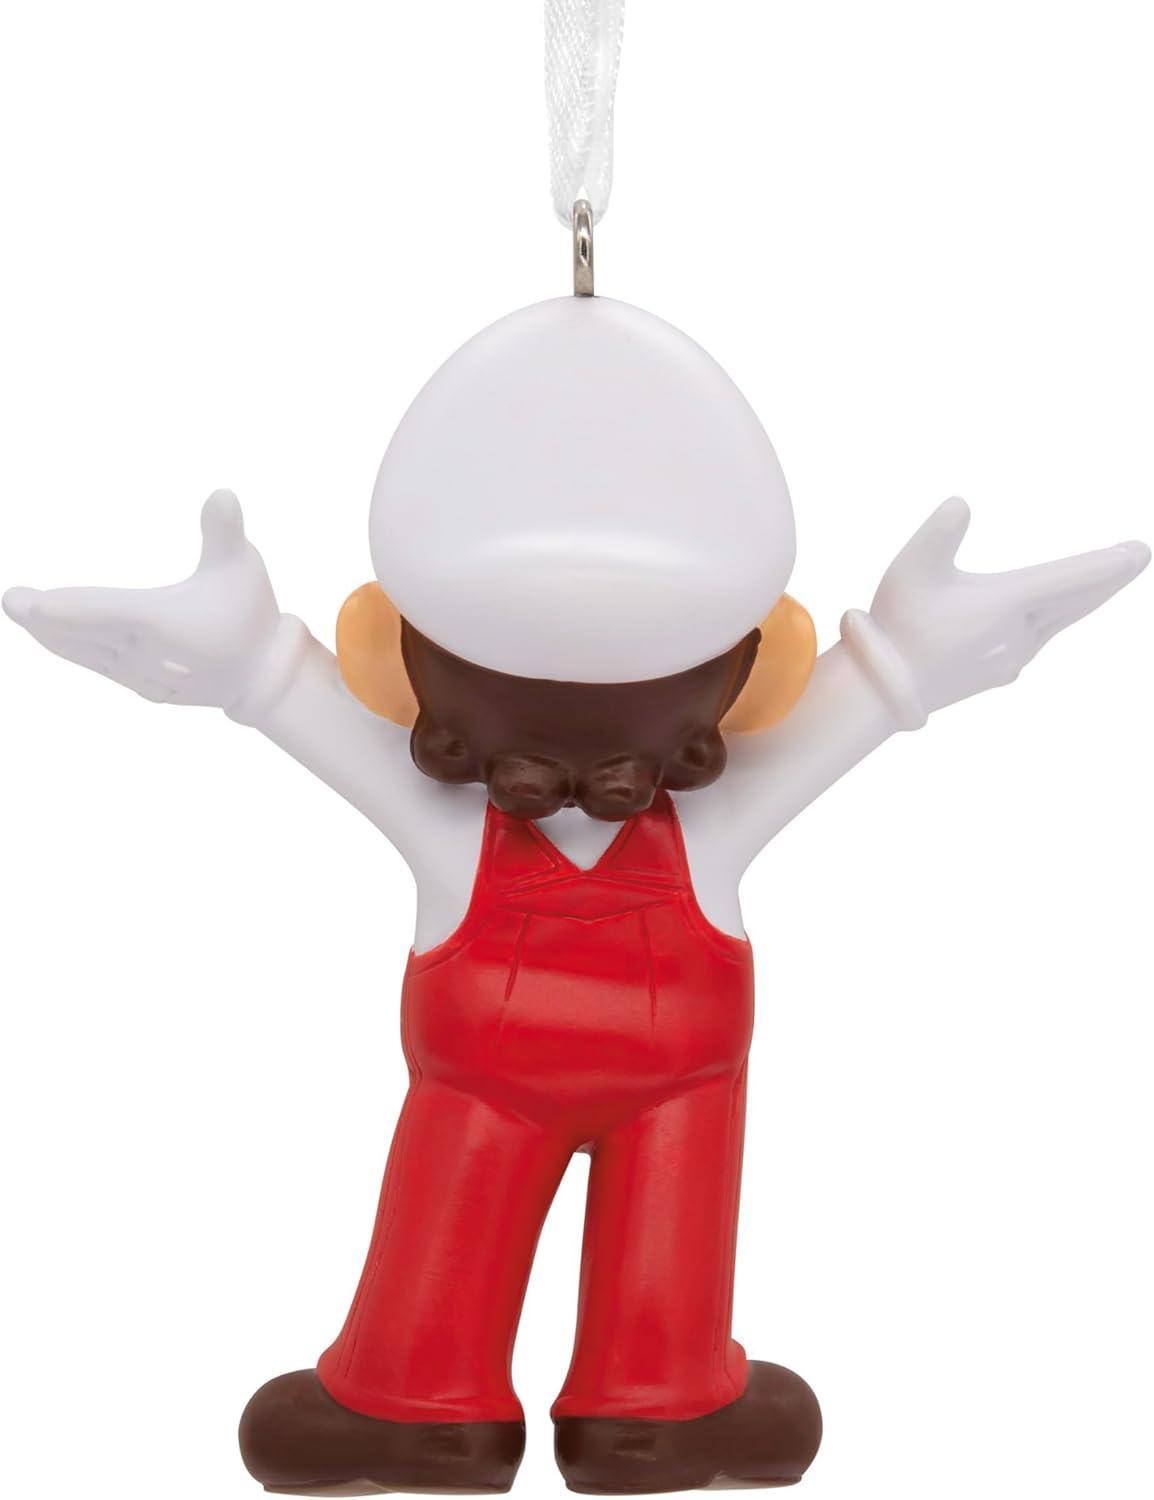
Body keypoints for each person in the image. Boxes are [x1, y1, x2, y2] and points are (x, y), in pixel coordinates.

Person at [5, 297, 1147, 1495]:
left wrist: (910, 654)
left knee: (656, 1247)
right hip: (512, 1086)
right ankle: (444, 1402)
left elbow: (283, 692)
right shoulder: (522, 815)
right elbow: (284, 695)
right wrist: (244, 660)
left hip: (658, 1088)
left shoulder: (656, 813)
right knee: (457, 1227)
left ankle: (630, 1404)